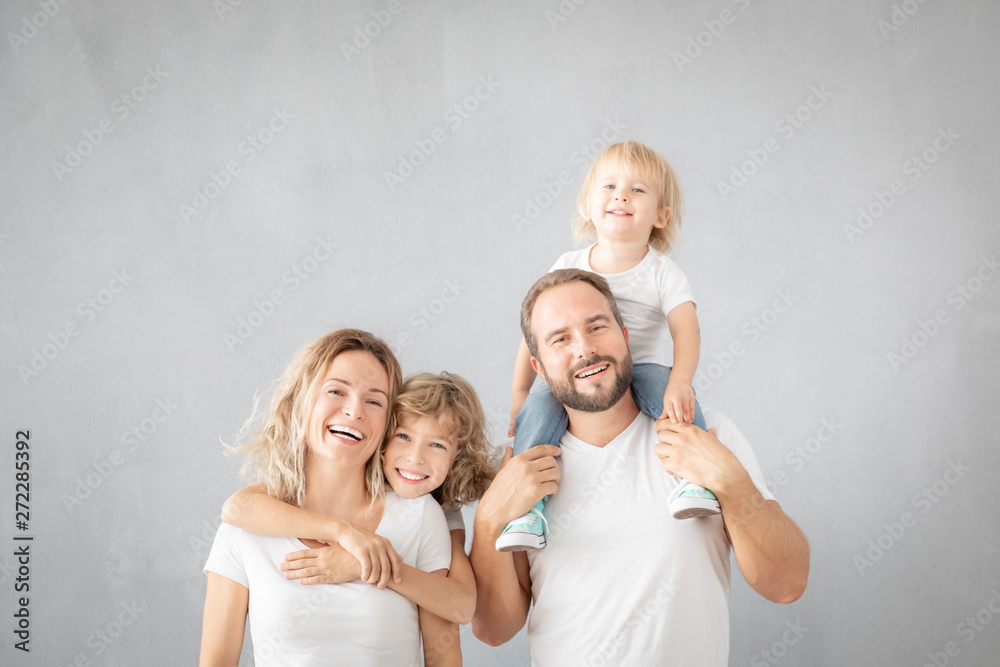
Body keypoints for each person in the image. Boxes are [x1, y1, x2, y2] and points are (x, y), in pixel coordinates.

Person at [472, 270, 810, 665]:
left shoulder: (705, 435)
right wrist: (488, 519)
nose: (584, 349)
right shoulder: (518, 469)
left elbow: (787, 583)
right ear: (540, 368)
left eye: (597, 326)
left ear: (625, 336)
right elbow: (494, 630)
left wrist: (730, 480)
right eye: (560, 339)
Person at [500, 140, 715, 553]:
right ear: (586, 206)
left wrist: (682, 381)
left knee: (670, 398)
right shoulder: (568, 264)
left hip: (642, 367)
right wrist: (519, 393)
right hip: (576, 376)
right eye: (609, 186)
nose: (621, 195)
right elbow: (534, 335)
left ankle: (696, 479)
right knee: (539, 413)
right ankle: (528, 508)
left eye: (638, 190)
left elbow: (687, 331)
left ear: (660, 215)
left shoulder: (663, 273)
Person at [199, 330, 454, 666]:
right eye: (336, 391)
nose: (354, 411)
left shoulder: (419, 515)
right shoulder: (245, 528)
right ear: (302, 400)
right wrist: (343, 532)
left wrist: (375, 568)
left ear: (388, 424)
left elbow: (445, 654)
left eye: (374, 401)